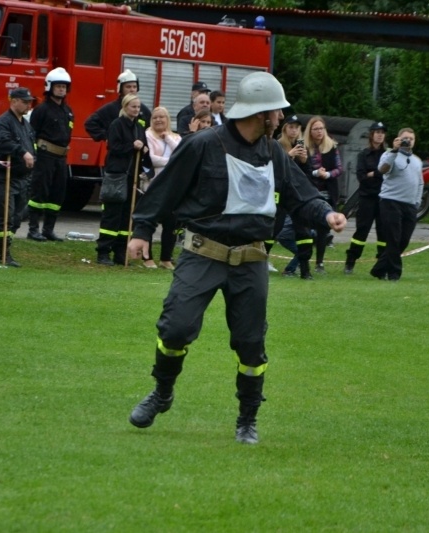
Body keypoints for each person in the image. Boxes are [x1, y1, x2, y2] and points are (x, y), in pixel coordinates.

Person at [125, 72, 346, 444]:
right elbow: (166, 188)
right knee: (176, 328)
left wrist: (326, 214)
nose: (281, 118)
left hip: (251, 259)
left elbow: (302, 194)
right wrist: (141, 231)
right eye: (276, 112)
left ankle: (247, 419)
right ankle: (162, 393)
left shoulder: (274, 153)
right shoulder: (201, 144)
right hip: (202, 254)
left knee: (250, 344)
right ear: (260, 113)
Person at [96, 93, 153, 267]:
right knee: (112, 214)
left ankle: (120, 252)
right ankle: (103, 251)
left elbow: (143, 148)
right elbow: (114, 147)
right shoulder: (117, 124)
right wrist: (132, 146)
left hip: (132, 176)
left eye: (138, 107)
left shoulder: (139, 127)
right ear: (125, 107)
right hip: (117, 175)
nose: (136, 110)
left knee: (127, 216)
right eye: (133, 106)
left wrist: (144, 150)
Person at [0, 87, 36, 267]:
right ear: (14, 101)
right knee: (5, 216)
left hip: (23, 177)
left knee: (17, 217)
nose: (28, 105)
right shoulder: (4, 122)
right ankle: (2, 252)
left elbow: (32, 145)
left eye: (29, 102)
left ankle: (6, 248)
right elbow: (2, 142)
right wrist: (22, 152)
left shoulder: (26, 124)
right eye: (25, 102)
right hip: (5, 176)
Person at [370, 128, 423, 281]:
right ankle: (394, 273)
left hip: (410, 205)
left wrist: (417, 201)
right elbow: (382, 170)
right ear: (398, 139)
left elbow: (420, 183)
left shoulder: (417, 161)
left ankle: (379, 269)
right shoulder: (389, 155)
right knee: (393, 238)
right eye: (405, 138)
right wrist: (394, 151)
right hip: (391, 201)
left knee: (403, 240)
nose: (408, 141)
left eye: (411, 139)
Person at [27, 67, 74, 242]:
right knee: (39, 192)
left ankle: (48, 230)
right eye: (58, 86)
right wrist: (34, 154)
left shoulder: (68, 111)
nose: (61, 89)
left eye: (64, 86)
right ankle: (33, 229)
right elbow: (31, 134)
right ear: (50, 87)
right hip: (44, 156)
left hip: (61, 158)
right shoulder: (41, 110)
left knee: (57, 194)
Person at [345, 121, 388, 274]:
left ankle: (382, 265)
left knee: (383, 233)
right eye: (377, 132)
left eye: (382, 133)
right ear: (371, 135)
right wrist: (378, 173)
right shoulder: (363, 155)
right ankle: (350, 262)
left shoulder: (387, 155)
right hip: (367, 198)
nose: (380, 135)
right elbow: (361, 177)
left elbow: (388, 175)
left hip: (383, 199)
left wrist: (373, 174)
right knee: (361, 231)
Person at [275, 114, 313, 279]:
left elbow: (308, 176)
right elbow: (274, 170)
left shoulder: (303, 147)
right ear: (285, 128)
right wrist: (289, 155)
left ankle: (305, 270)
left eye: (297, 127)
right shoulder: (277, 145)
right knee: (274, 231)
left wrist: (304, 161)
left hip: (297, 196)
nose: (294, 130)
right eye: (291, 127)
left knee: (304, 233)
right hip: (281, 195)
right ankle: (259, 264)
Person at [145, 106, 182, 270]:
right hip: (152, 185)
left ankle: (166, 258)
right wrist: (171, 162)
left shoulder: (176, 137)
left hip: (172, 186)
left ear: (168, 119)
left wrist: (167, 138)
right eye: (155, 117)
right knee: (149, 222)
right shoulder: (147, 135)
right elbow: (150, 158)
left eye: (162, 117)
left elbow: (180, 154)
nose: (158, 120)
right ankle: (147, 258)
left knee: (171, 224)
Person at [304, 116, 342, 274]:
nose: (319, 132)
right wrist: (315, 172)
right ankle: (303, 260)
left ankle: (319, 263)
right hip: (310, 192)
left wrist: (327, 174)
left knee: (323, 230)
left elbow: (339, 169)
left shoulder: (332, 146)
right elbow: (301, 170)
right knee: (306, 229)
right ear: (310, 131)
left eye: (321, 128)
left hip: (328, 192)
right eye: (316, 129)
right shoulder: (305, 147)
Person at [84, 69, 151, 142]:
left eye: (134, 87)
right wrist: (107, 136)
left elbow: (151, 130)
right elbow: (90, 124)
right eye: (128, 87)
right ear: (120, 89)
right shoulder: (110, 109)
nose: (132, 90)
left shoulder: (143, 110)